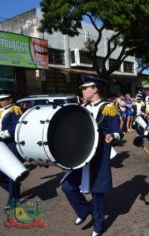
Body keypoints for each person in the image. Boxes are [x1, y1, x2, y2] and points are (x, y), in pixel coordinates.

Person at [61, 75, 123, 236]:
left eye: (84, 88)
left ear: (94, 89)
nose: (81, 91)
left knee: (97, 192)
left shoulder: (108, 107)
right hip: (81, 156)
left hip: (99, 156)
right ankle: (84, 210)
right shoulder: (83, 107)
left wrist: (113, 137)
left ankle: (98, 224)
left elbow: (117, 131)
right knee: (67, 186)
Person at [0, 89, 23, 208]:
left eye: (2, 99)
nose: (0, 101)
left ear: (10, 99)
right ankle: (15, 191)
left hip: (12, 145)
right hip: (1, 145)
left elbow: (14, 130)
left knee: (11, 172)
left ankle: (13, 199)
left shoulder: (15, 111)